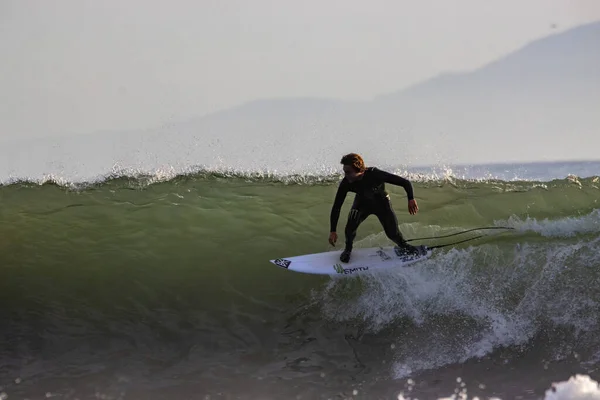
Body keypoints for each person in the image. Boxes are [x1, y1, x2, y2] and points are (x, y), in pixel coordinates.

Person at [328, 153, 422, 263]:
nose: (345, 175)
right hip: (362, 203)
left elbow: (405, 182)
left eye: (348, 172)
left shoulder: (374, 174)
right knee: (350, 227)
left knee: (392, 234)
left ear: (358, 170)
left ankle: (404, 246)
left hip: (381, 203)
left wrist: (411, 199)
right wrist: (333, 230)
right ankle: (348, 250)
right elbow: (336, 207)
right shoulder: (346, 183)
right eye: (344, 172)